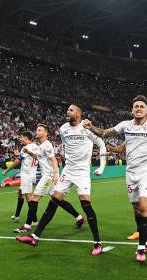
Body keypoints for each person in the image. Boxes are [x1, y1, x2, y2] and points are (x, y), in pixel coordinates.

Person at [83, 95, 147, 263]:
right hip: (131, 172)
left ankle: (141, 247)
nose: (138, 108)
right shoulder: (125, 126)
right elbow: (104, 133)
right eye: (136, 106)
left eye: (142, 106)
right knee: (136, 209)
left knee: (145, 205)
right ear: (132, 110)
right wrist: (90, 126)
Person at [16, 104, 107, 256]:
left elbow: (101, 144)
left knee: (85, 204)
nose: (67, 111)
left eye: (71, 110)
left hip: (83, 171)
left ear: (78, 114)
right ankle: (34, 237)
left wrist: (102, 166)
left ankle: (97, 243)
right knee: (54, 201)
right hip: (68, 170)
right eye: (67, 110)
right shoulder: (63, 128)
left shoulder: (86, 128)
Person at [14, 123, 85, 233]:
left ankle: (27, 226)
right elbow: (38, 157)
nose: (37, 132)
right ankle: (79, 218)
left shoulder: (46, 145)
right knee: (59, 200)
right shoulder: (41, 146)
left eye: (39, 130)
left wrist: (56, 174)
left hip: (48, 177)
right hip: (49, 177)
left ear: (45, 133)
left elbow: (53, 159)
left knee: (33, 199)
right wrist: (29, 152)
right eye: (37, 130)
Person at [3, 132, 39, 221]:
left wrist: (7, 170)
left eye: (22, 137)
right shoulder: (36, 146)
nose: (20, 139)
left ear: (26, 138)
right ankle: (17, 216)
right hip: (32, 173)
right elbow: (28, 158)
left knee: (29, 198)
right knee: (20, 193)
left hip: (27, 175)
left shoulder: (26, 148)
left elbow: (17, 162)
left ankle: (34, 220)